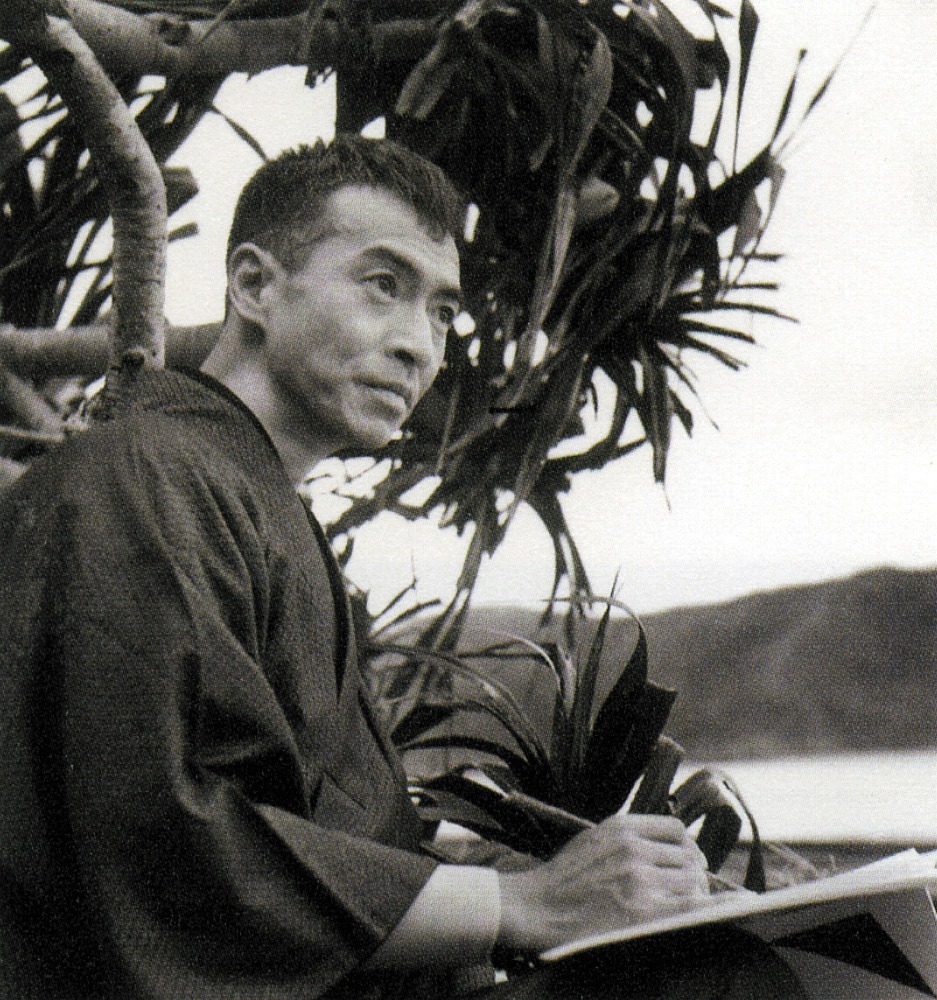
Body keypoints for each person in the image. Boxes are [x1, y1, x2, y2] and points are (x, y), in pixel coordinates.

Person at [0, 135, 803, 999]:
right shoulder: (135, 477)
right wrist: (522, 902)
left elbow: (342, 843)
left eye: (442, 313)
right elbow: (151, 847)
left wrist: (593, 890)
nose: (419, 344)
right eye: (383, 285)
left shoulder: (243, 500)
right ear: (254, 285)